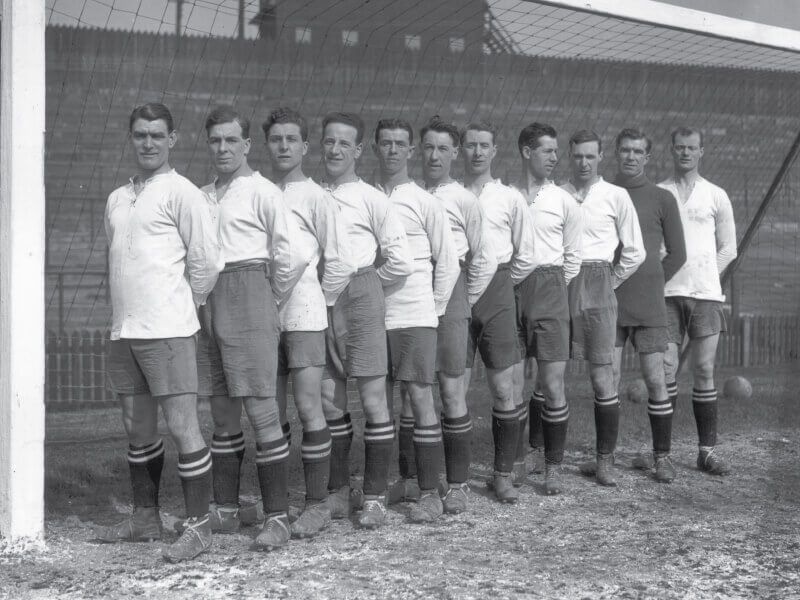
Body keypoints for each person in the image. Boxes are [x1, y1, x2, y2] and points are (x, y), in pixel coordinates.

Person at [95, 102, 223, 562]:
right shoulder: (117, 197)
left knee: (183, 425)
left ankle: (200, 526)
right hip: (125, 330)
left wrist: (184, 305)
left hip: (168, 329)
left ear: (172, 139)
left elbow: (207, 262)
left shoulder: (183, 192)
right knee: (137, 426)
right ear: (131, 138)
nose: (147, 142)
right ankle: (145, 517)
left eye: (156, 135)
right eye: (140, 134)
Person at [193, 105, 298, 552]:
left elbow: (291, 255)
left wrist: (267, 298)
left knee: (261, 409)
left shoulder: (263, 191)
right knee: (221, 411)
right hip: (209, 297)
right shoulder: (201, 195)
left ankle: (277, 517)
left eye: (231, 140)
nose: (223, 148)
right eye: (215, 140)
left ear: (247, 144)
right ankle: (226, 508)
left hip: (250, 287)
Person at [394, 116, 496, 514]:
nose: (434, 156)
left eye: (443, 149)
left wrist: (460, 301)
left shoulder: (464, 199)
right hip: (413, 296)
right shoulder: (408, 195)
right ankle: (411, 479)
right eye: (429, 148)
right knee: (411, 391)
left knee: (452, 391)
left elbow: (484, 258)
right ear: (419, 151)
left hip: (451, 297)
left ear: (455, 153)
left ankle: (457, 484)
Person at [263, 107, 355, 537]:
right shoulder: (259, 192)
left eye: (291, 140)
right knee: (270, 410)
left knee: (308, 405)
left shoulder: (316, 196)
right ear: (267, 145)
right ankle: (276, 507)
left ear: (304, 146)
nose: (283, 146)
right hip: (262, 316)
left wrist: (323, 303)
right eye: (276, 139)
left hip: (304, 313)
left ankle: (317, 503)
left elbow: (339, 261)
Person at [319, 112, 413, 529]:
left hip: (360, 295)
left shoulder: (372, 198)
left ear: (358, 150)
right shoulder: (310, 195)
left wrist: (368, 283)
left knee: (374, 400)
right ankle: (340, 492)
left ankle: (374, 495)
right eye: (329, 141)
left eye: (345, 143)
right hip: (317, 300)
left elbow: (401, 260)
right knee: (328, 399)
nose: (335, 150)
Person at [373, 118, 460, 523]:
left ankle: (429, 492)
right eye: (385, 143)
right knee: (379, 402)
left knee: (421, 397)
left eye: (400, 144)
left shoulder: (425, 202)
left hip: (414, 314)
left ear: (410, 151)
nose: (392, 150)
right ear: (376, 147)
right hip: (373, 317)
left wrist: (432, 310)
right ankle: (397, 484)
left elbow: (448, 263)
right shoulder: (365, 197)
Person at [562, 129, 645, 487]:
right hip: (560, 281)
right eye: (578, 156)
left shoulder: (615, 195)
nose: (583, 162)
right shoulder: (556, 194)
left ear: (599, 158)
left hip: (598, 280)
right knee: (549, 374)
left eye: (590, 156)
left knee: (602, 376)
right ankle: (539, 455)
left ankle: (604, 460)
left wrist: (608, 282)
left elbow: (636, 251)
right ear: (570, 156)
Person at [462, 120, 536, 503]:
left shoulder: (509, 198)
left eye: (483, 145)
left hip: (499, 291)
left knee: (504, 387)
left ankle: (503, 474)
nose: (477, 152)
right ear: (461, 150)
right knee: (453, 389)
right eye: (470, 145)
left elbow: (527, 255)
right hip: (455, 292)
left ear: (494, 151)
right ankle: (454, 479)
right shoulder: (447, 195)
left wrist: (501, 283)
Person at [658, 126, 736, 475]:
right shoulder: (660, 192)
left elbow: (729, 248)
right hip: (666, 295)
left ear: (702, 151)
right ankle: (662, 454)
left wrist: (707, 277)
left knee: (703, 369)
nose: (685, 153)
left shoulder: (716, 195)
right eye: (680, 147)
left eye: (692, 148)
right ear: (672, 150)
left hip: (705, 296)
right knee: (665, 369)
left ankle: (706, 452)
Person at [611, 128, 686, 483]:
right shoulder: (602, 193)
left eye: (637, 151)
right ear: (616, 152)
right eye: (625, 150)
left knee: (657, 379)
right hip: (609, 304)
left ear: (647, 157)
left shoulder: (662, 198)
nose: (631, 156)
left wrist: (652, 280)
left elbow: (678, 254)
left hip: (649, 306)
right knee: (607, 381)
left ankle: (662, 458)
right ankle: (605, 457)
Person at [510, 122, 581, 495]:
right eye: (547, 150)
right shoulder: (506, 196)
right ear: (527, 151)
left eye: (556, 150)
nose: (555, 157)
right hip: (510, 290)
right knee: (511, 384)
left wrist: (551, 289)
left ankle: (553, 465)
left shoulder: (563, 200)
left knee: (552, 383)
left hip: (551, 288)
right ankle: (515, 461)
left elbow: (573, 258)